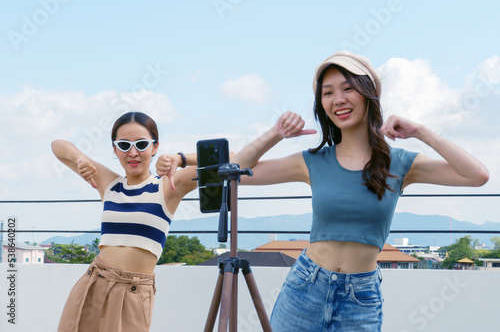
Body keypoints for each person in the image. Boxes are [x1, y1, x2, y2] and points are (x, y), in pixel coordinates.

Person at [232, 51, 489, 331]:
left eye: (348, 88)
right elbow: (236, 174)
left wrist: (421, 132)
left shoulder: (400, 163)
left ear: (368, 94)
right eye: (327, 92)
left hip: (360, 299)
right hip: (305, 287)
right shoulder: (312, 162)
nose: (338, 99)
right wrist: (276, 133)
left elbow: (477, 176)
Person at [52, 111, 198, 332]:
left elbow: (228, 158)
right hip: (93, 282)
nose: (133, 153)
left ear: (155, 147)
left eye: (141, 144)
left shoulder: (167, 186)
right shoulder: (110, 183)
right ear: (115, 149)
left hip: (134, 290)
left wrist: (181, 158)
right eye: (123, 145)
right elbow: (58, 146)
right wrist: (80, 159)